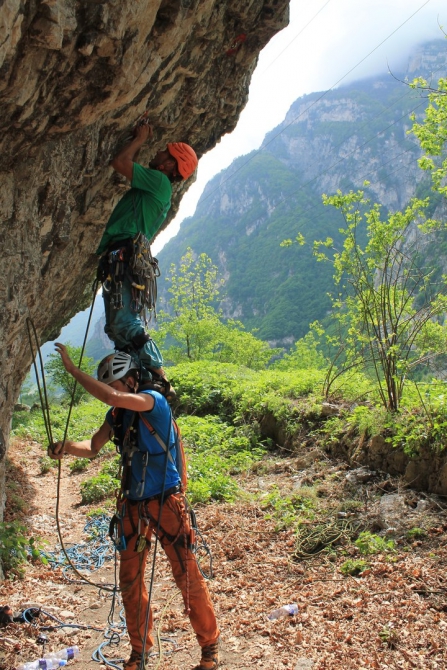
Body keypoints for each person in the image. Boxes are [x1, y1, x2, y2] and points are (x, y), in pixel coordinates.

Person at [49, 344, 219, 670]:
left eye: (115, 384)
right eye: (110, 386)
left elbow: (113, 398)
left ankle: (209, 648)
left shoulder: (152, 402)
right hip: (133, 505)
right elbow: (92, 446)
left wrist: (73, 371)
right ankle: (139, 652)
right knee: (129, 582)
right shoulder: (117, 415)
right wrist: (66, 447)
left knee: (186, 577)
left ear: (131, 381)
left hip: (166, 501)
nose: (112, 392)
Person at [96, 121, 198, 397]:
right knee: (116, 329)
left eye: (165, 152)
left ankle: (159, 375)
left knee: (125, 325)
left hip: (123, 255)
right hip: (122, 256)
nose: (159, 152)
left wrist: (139, 138)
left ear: (169, 165)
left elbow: (120, 161)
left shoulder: (160, 181)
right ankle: (140, 378)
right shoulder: (160, 185)